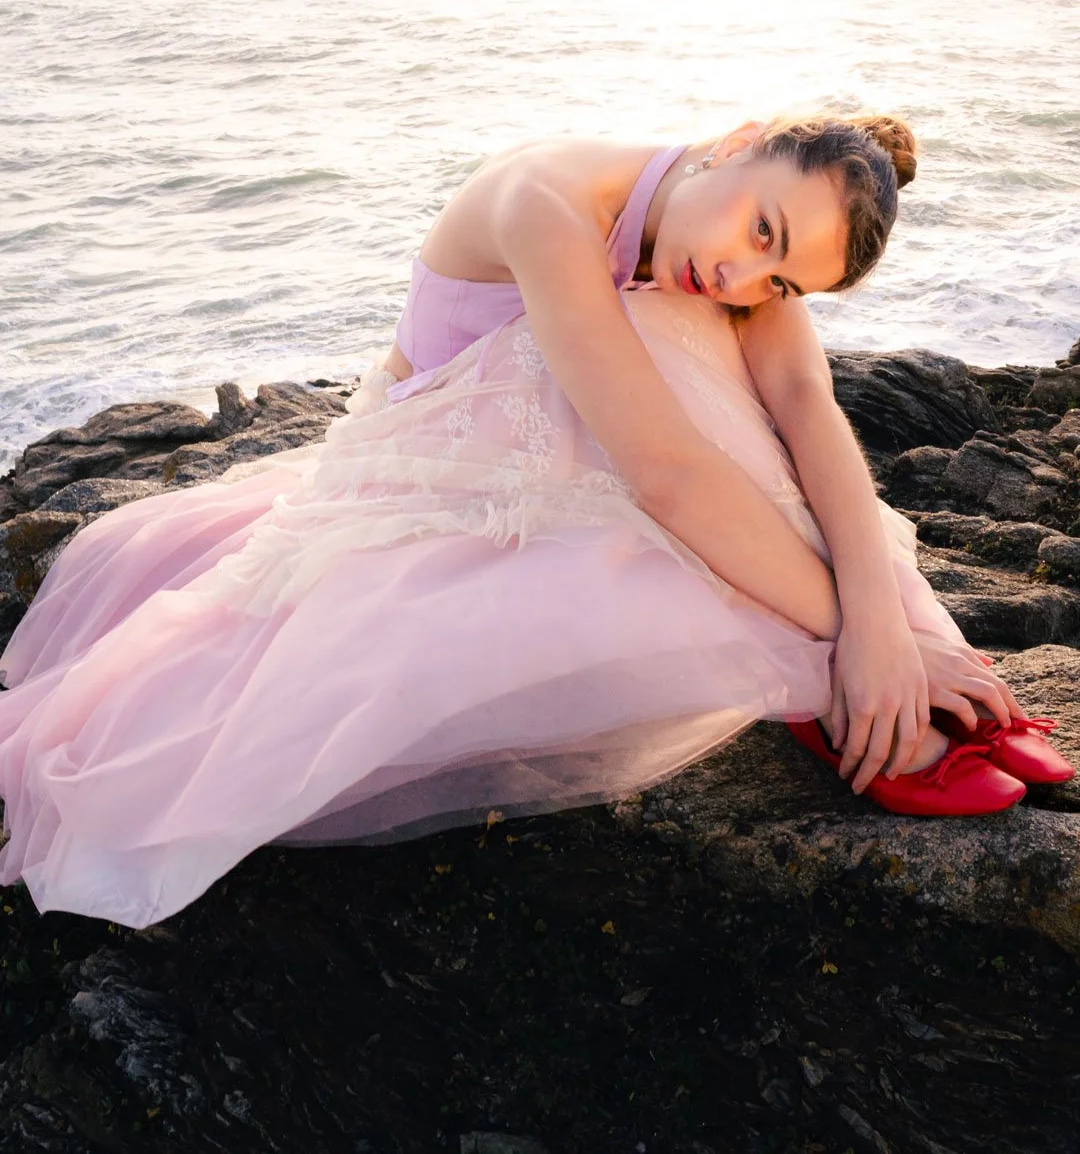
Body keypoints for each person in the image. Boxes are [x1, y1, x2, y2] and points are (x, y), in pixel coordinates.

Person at [0, 115, 1071, 929]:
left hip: (601, 452)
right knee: (664, 339)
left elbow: (808, 412)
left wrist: (898, 627)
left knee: (724, 358)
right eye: (761, 230)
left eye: (782, 273)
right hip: (429, 476)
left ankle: (900, 666)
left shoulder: (721, 256)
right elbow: (665, 468)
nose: (744, 271)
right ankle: (834, 680)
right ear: (738, 144)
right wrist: (854, 636)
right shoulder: (544, 201)